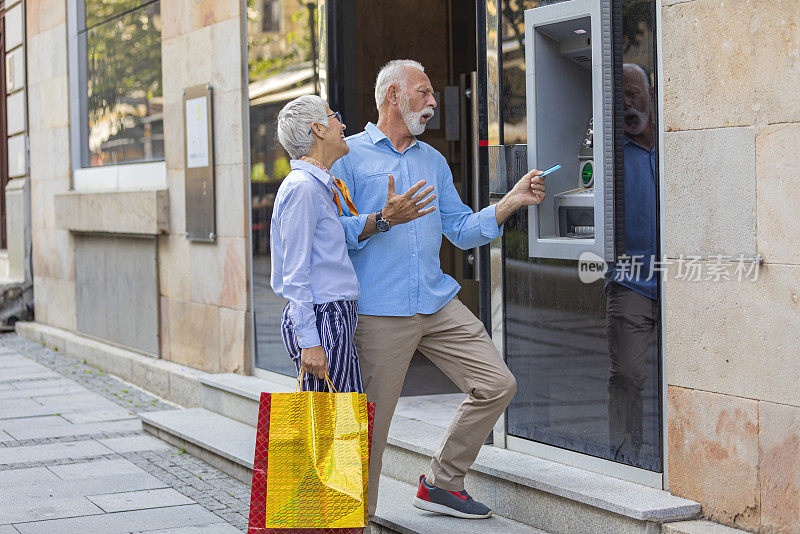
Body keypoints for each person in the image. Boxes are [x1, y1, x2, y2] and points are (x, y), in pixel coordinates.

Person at [331, 59, 546, 521]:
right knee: (370, 431)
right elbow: (331, 233)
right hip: (378, 311)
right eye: (423, 93)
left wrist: (511, 200)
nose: (432, 103)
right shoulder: (347, 155)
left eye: (432, 95)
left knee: (496, 384)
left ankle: (442, 483)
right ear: (393, 96)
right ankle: (351, 523)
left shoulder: (432, 160)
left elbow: (462, 229)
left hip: (435, 301)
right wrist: (383, 219)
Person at [269, 94, 364, 392]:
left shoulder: (315, 186)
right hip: (325, 316)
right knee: (329, 428)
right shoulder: (304, 188)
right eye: (334, 116)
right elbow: (295, 273)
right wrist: (309, 342)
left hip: (331, 315)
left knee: (339, 423)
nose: (343, 123)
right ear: (318, 129)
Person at [605, 63, 659, 464]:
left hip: (687, 278)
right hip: (632, 283)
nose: (627, 103)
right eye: (619, 96)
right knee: (627, 374)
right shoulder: (609, 157)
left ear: (651, 94)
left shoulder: (677, 145)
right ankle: (627, 455)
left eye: (634, 94)